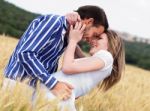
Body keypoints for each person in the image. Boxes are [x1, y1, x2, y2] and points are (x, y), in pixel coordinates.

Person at [4, 5, 109, 99]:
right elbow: (25, 54)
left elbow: (80, 63)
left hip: (35, 90)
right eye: (94, 34)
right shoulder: (54, 22)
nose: (90, 39)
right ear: (88, 22)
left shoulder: (67, 36)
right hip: (18, 85)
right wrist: (54, 84)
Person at [36, 23, 125, 110]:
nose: (93, 40)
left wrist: (73, 40)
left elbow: (68, 67)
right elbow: (77, 54)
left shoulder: (106, 56)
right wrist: (72, 37)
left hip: (56, 100)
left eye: (99, 38)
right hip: (55, 99)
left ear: (112, 45)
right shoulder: (99, 63)